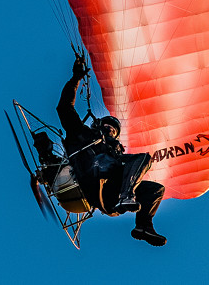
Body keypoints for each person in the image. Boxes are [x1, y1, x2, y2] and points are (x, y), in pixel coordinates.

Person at [55, 56, 167, 246]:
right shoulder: (81, 134)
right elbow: (64, 108)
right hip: (91, 179)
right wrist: (76, 78)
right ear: (97, 125)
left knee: (155, 189)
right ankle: (126, 197)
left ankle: (143, 226)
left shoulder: (116, 155)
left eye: (114, 129)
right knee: (140, 159)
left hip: (110, 197)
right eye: (107, 125)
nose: (110, 129)